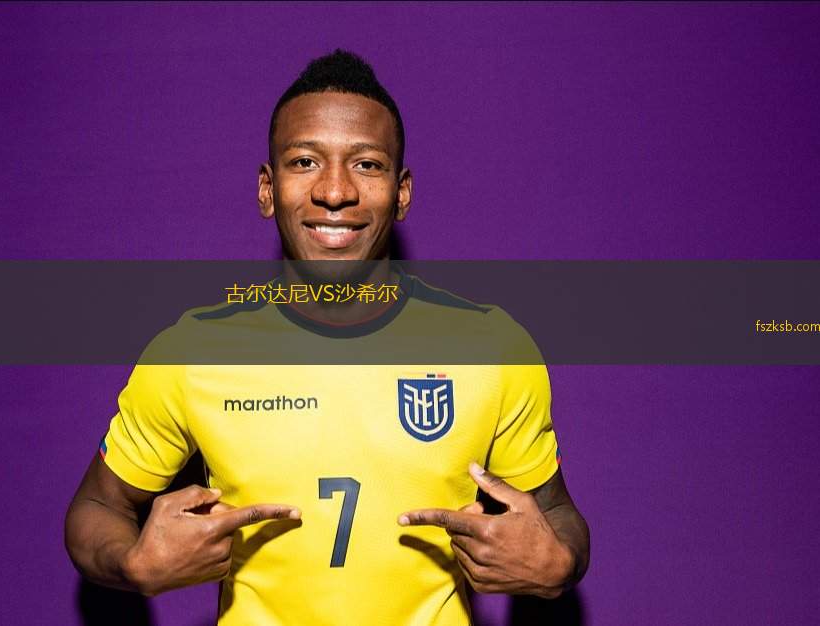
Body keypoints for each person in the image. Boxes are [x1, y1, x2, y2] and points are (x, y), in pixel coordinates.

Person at [65, 49, 589, 625]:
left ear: (402, 192)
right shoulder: (192, 354)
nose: (335, 191)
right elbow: (96, 506)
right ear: (267, 190)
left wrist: (559, 563)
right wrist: (132, 563)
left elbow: (557, 514)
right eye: (304, 161)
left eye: (366, 164)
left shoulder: (491, 348)